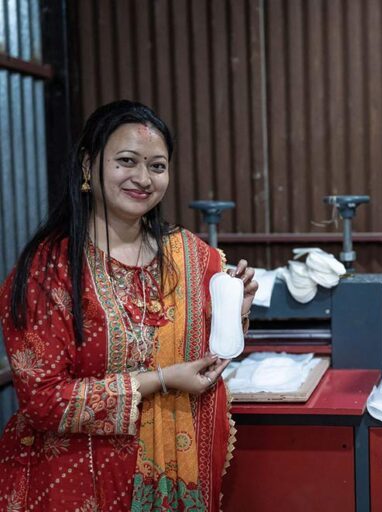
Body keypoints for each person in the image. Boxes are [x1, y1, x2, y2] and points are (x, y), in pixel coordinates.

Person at [0, 100, 258, 511]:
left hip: (170, 477)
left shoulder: (189, 256)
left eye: (157, 166)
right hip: (74, 482)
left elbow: (208, 357)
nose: (143, 178)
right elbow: (44, 402)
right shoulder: (48, 271)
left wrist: (235, 311)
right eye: (126, 161)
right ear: (88, 166)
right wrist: (160, 379)